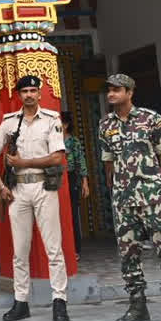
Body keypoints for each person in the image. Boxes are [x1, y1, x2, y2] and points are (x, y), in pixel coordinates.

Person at [98, 73, 161, 321]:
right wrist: (111, 187)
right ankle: (138, 307)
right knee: (128, 254)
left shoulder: (151, 119)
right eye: (109, 90)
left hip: (153, 196)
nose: (111, 94)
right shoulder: (105, 125)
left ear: (129, 92)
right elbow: (107, 159)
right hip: (124, 199)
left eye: (116, 90)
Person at [0, 75, 70, 321]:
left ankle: (59, 301)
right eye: (25, 91)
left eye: (34, 90)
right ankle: (21, 301)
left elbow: (57, 158)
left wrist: (25, 162)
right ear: (19, 95)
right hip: (18, 190)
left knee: (53, 249)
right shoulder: (10, 123)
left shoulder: (52, 120)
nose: (30, 95)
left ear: (40, 93)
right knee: (19, 251)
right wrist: (0, 185)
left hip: (44, 187)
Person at [61, 111, 91, 261]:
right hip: (56, 179)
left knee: (72, 214)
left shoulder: (73, 142)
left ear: (65, 125)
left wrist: (84, 182)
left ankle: (75, 249)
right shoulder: (51, 141)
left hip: (71, 178)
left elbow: (81, 162)